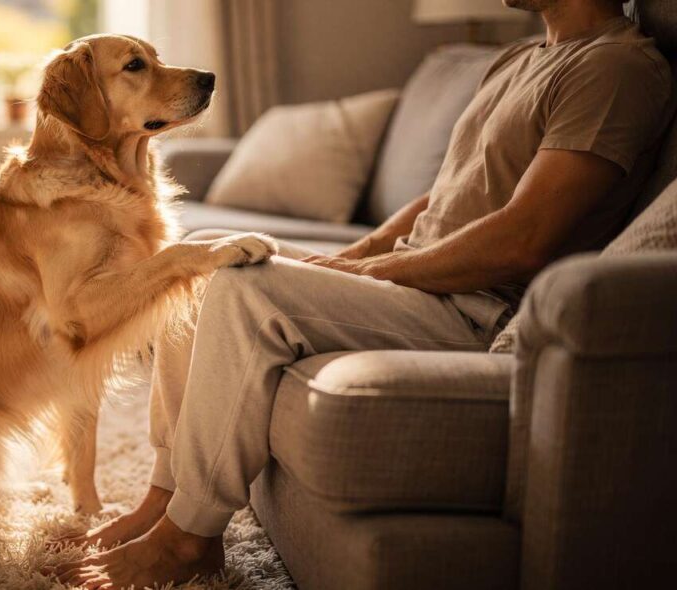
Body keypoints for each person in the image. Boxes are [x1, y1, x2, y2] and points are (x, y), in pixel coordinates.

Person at [51, 0, 673, 587]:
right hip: (426, 284)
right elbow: (441, 198)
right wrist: (347, 261)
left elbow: (527, 238)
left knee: (247, 289)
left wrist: (375, 277)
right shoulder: (520, 58)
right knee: (213, 248)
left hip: (479, 306)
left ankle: (189, 538)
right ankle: (163, 497)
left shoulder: (613, 67)